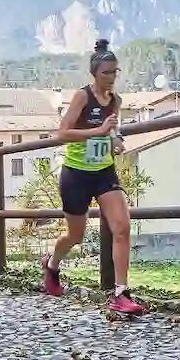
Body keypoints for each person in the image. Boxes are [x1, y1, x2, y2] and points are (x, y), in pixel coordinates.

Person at [41, 39, 150, 317]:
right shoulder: (82, 97)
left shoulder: (116, 100)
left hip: (103, 172)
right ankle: (52, 265)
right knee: (75, 236)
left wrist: (115, 141)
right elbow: (62, 133)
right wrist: (98, 131)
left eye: (115, 72)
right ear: (94, 74)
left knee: (122, 227)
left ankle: (121, 293)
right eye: (106, 73)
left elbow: (112, 131)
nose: (111, 78)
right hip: (76, 174)